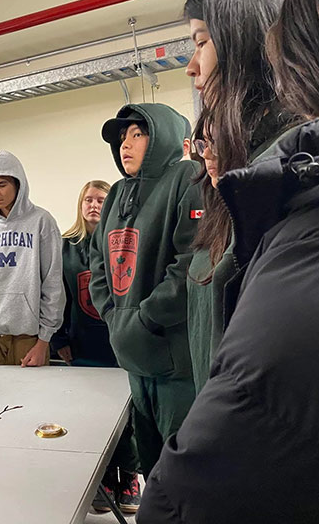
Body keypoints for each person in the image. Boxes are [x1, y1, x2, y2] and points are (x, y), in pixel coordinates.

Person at [140, 0, 319, 520]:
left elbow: (209, 479)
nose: (191, 67)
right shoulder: (266, 189)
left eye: (201, 42)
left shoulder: (301, 200)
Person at [182, 0, 311, 394]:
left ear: (247, 38)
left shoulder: (290, 180)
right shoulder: (250, 169)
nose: (192, 67)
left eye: (201, 42)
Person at [89, 104, 201, 480]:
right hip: (132, 357)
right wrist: (113, 315)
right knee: (151, 469)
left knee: (183, 471)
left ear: (164, 136)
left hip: (174, 363)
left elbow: (190, 264)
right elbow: (98, 263)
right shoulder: (117, 192)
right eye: (123, 137)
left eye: (138, 134)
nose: (126, 144)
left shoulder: (188, 177)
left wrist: (145, 318)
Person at [52, 180, 141, 514]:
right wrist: (59, 339)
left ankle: (129, 476)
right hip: (80, 344)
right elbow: (56, 296)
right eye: (88, 199)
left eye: (101, 199)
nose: (93, 205)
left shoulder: (122, 242)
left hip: (118, 344)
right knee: (92, 415)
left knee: (127, 416)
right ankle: (102, 476)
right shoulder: (64, 247)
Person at [0, 150, 64, 367]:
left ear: (18, 185)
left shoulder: (42, 221)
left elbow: (53, 282)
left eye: (1, 185)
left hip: (29, 338)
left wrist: (44, 340)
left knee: (31, 400)